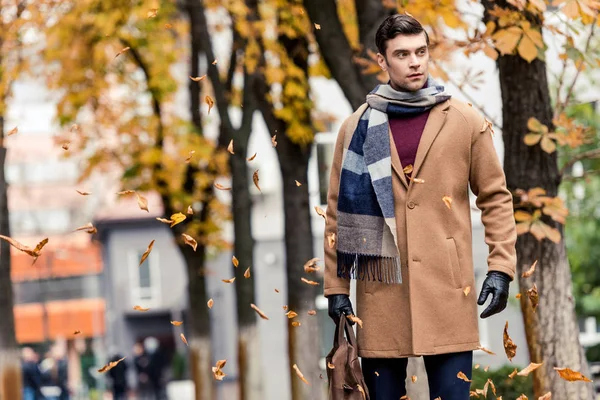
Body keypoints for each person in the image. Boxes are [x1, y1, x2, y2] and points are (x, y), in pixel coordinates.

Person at [324, 14, 517, 400]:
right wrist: (336, 286)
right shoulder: (355, 127)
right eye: (402, 54)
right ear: (382, 61)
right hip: (381, 292)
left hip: (448, 290)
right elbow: (336, 212)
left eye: (420, 52)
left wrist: (501, 267)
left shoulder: (464, 120)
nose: (414, 62)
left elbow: (495, 197)